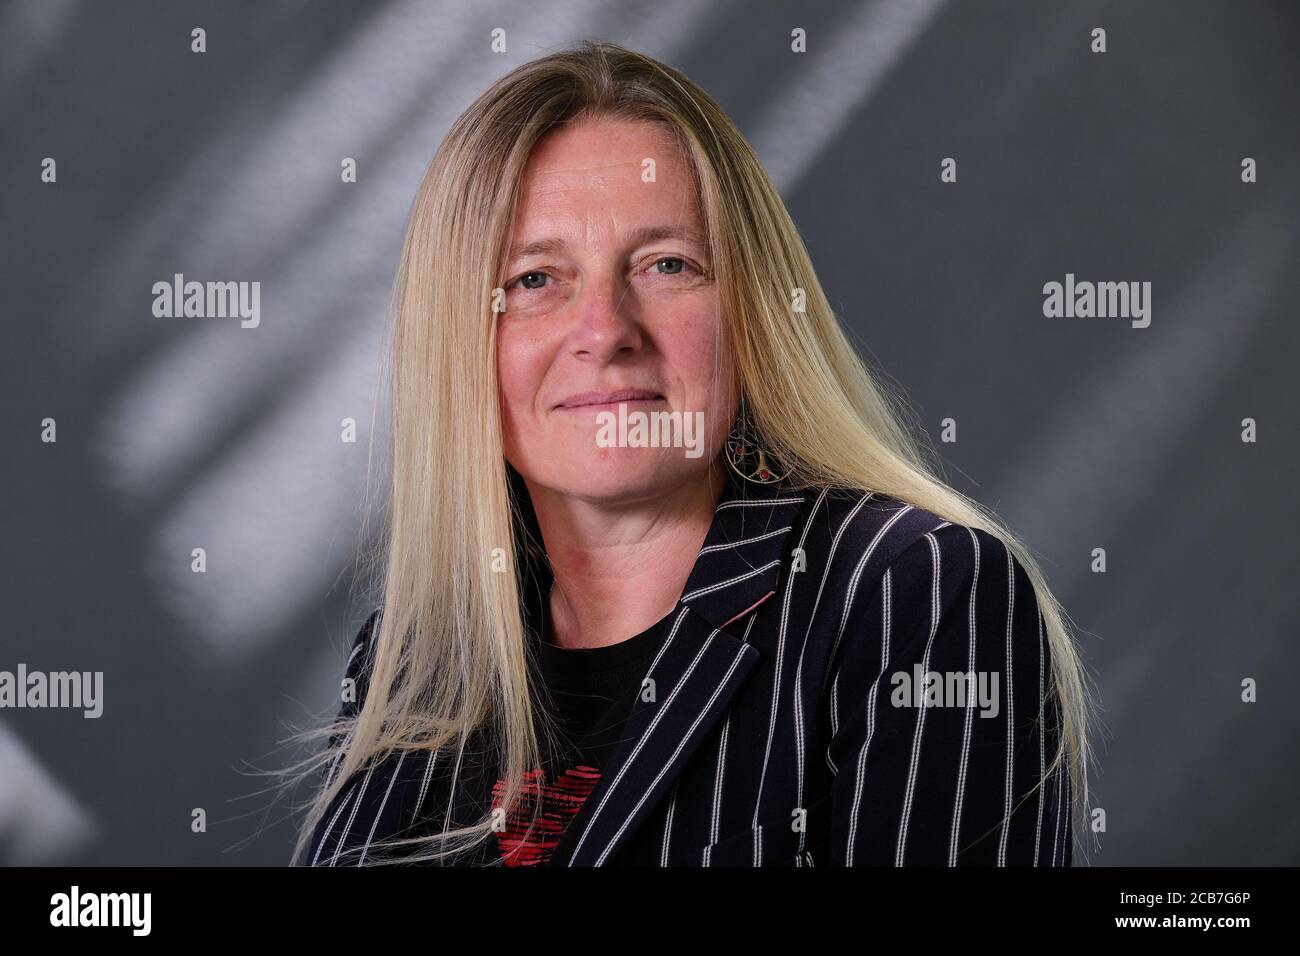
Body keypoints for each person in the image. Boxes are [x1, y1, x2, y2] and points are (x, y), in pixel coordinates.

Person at [291, 39, 1092, 867]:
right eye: (534, 279)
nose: (604, 332)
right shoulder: (414, 660)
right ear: (458, 340)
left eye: (666, 264)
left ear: (750, 310)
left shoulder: (914, 597)